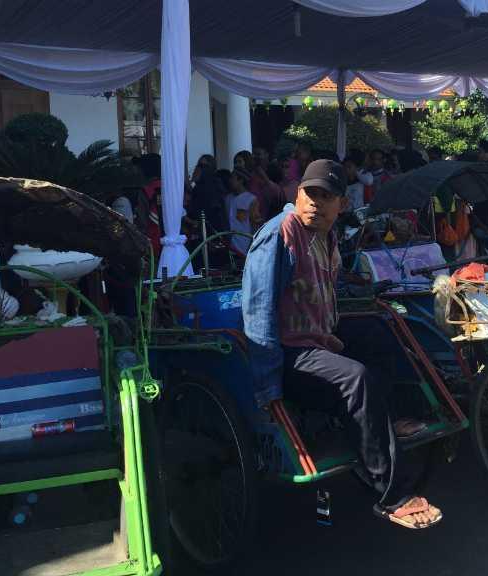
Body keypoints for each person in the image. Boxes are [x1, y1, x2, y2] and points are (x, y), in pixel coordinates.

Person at [241, 159, 443, 530]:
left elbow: (328, 290)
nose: (315, 203)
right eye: (309, 193)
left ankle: (389, 418)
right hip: (291, 353)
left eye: (325, 196)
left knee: (382, 332)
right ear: (296, 193)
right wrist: (266, 386)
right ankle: (391, 492)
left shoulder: (326, 237)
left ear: (341, 205)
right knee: (357, 378)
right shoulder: (280, 234)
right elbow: (258, 310)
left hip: (321, 338)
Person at [188, 154, 228, 233]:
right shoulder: (197, 188)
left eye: (202, 166)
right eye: (198, 165)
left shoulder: (214, 187)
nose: (198, 168)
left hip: (212, 232)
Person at [229, 167, 261, 257]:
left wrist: (251, 247)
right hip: (230, 248)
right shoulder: (228, 198)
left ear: (240, 180)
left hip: (245, 248)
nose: (230, 181)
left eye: (233, 178)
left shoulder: (251, 200)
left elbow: (255, 226)